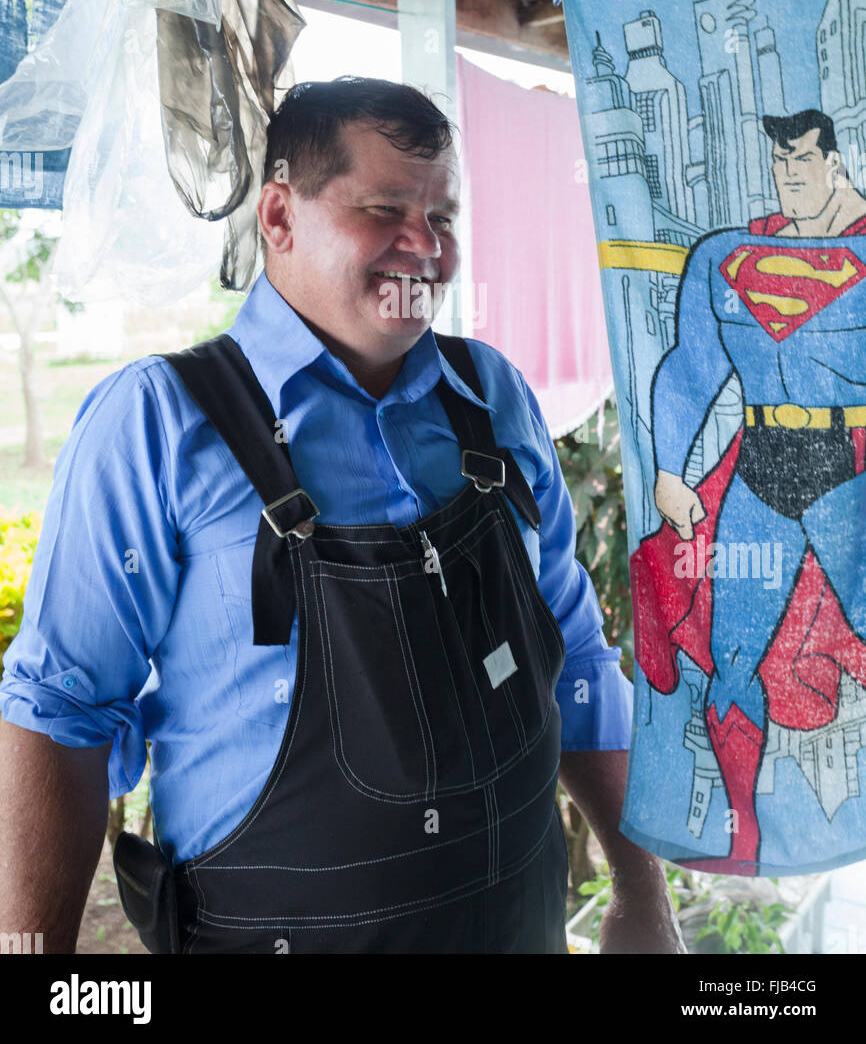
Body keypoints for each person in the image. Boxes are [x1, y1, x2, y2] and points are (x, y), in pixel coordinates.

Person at [0, 77, 681, 954]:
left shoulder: (492, 395)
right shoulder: (158, 426)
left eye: (443, 217)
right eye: (384, 207)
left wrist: (641, 890)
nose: (424, 246)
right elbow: (57, 712)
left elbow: (576, 654)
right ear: (278, 217)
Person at [650, 109, 866, 871]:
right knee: (731, 656)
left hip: (849, 474)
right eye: (781, 162)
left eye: (805, 159)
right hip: (763, 471)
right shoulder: (727, 256)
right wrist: (671, 469)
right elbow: (690, 367)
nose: (792, 173)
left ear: (837, 164)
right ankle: (743, 832)